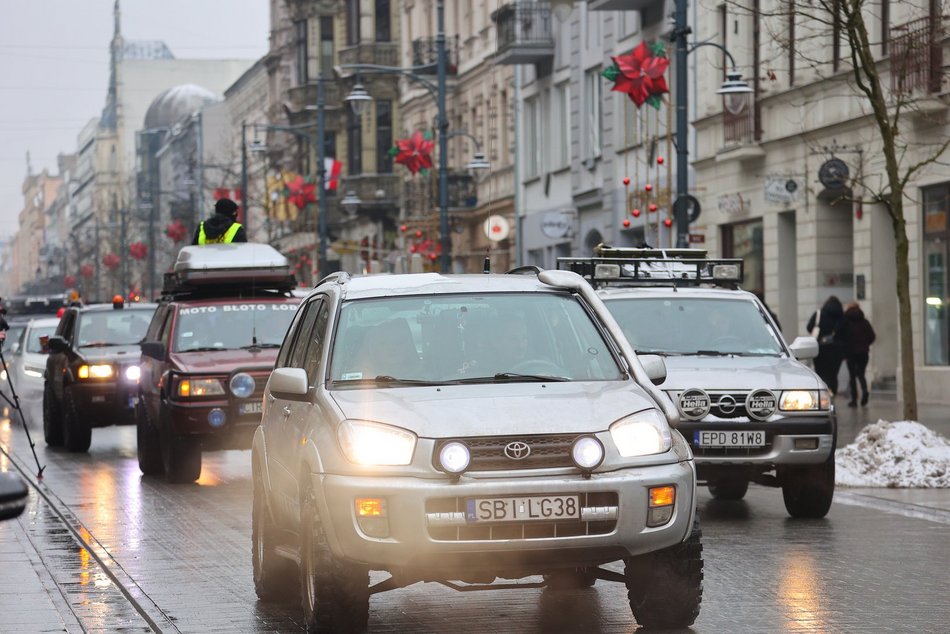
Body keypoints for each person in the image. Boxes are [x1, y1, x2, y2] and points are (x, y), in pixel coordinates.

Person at [806, 295, 845, 396]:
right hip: (837, 350)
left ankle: (824, 395)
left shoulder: (819, 314)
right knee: (833, 375)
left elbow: (809, 327)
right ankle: (833, 394)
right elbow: (847, 334)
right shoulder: (842, 317)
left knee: (821, 373)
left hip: (820, 348)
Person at [839, 301, 876, 407]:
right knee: (861, 374)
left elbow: (840, 336)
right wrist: (865, 344)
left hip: (850, 353)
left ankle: (854, 400)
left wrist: (844, 350)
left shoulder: (845, 322)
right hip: (863, 352)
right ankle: (864, 391)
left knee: (852, 376)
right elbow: (872, 336)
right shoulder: (864, 322)